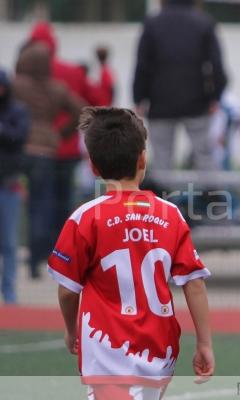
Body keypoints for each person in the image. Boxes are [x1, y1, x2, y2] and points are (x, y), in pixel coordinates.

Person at [47, 107, 214, 399]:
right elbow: (194, 283)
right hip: (160, 351)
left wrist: (71, 330)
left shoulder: (85, 218)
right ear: (142, 158)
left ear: (93, 167)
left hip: (108, 352)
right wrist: (204, 343)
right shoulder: (171, 214)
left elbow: (67, 291)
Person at [28, 21, 104, 247]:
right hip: (68, 147)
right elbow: (96, 100)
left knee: (39, 201)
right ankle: (64, 248)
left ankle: (39, 252)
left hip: (38, 150)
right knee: (64, 202)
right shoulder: (71, 72)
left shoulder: (26, 78)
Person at [13, 41, 83, 279]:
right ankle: (38, 257)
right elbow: (81, 110)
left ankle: (18, 254)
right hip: (46, 151)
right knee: (40, 206)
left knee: (13, 201)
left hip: (19, 149)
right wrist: (61, 133)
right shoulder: (57, 89)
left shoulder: (17, 85)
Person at [133, 0, 227, 172]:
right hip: (197, 100)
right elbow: (216, 64)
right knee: (204, 156)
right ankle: (210, 197)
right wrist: (216, 96)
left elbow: (143, 64)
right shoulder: (204, 22)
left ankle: (164, 197)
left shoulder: (152, 23)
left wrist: (139, 97)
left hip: (160, 100)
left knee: (162, 158)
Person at [0, 68, 30, 304]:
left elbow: (19, 136)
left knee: (9, 242)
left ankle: (9, 293)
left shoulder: (17, 110)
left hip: (8, 184)